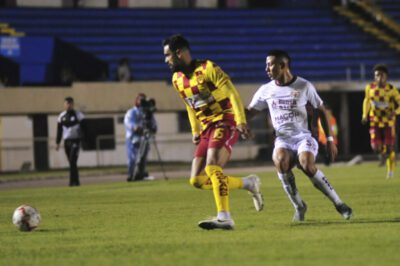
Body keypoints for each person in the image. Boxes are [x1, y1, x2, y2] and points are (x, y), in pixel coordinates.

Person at [162, 34, 264, 230]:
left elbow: (232, 93)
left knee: (212, 167)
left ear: (179, 53)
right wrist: (195, 130)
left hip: (225, 120)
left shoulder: (208, 68)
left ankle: (224, 217)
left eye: (167, 56)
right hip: (207, 127)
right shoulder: (176, 79)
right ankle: (248, 183)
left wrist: (241, 120)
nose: (166, 60)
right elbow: (189, 105)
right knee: (197, 180)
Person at [246, 50, 352, 222]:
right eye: (266, 64)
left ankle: (339, 204)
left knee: (306, 163)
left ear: (283, 65)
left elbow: (322, 110)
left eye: (270, 64)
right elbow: (250, 112)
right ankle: (299, 207)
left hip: (305, 137)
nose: (266, 68)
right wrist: (240, 122)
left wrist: (330, 140)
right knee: (281, 161)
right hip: (283, 140)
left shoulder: (304, 86)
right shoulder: (265, 90)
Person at [362, 64, 400, 178]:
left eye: (381, 75)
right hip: (375, 120)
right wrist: (364, 114)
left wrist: (396, 112)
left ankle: (391, 170)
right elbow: (367, 101)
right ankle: (384, 154)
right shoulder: (370, 88)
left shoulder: (392, 90)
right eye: (377, 75)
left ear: (386, 76)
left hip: (389, 121)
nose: (379, 78)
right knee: (375, 148)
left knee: (389, 147)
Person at [124, 93, 157, 182]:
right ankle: (131, 175)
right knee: (133, 159)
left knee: (143, 158)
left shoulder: (147, 112)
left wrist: (152, 127)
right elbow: (129, 124)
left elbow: (153, 125)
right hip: (133, 139)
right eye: (140, 99)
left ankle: (140, 175)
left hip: (144, 138)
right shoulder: (132, 112)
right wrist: (137, 128)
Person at [56, 97, 85, 186]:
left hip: (75, 140)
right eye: (67, 103)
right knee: (72, 162)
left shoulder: (78, 115)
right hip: (66, 141)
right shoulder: (61, 116)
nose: (69, 105)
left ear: (73, 104)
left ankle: (72, 182)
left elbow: (84, 128)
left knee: (72, 160)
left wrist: (83, 140)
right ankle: (76, 181)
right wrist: (57, 142)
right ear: (64, 105)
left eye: (70, 103)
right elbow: (59, 131)